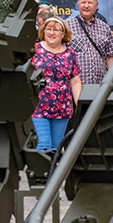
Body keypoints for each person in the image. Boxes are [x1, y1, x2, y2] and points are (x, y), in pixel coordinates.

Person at [31, 16, 82, 151]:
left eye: (56, 30)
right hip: (38, 106)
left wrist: (80, 104)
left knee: (56, 147)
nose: (51, 33)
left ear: (63, 34)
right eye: (48, 29)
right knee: (44, 144)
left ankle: (53, 172)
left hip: (62, 108)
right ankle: (43, 172)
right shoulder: (34, 50)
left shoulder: (70, 54)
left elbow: (75, 81)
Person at [66, 0, 113, 85]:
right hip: (74, 86)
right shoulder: (67, 27)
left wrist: (111, 82)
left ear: (96, 5)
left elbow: (110, 57)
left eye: (90, 2)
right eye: (83, 2)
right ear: (78, 4)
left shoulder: (105, 28)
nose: (86, 6)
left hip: (100, 87)